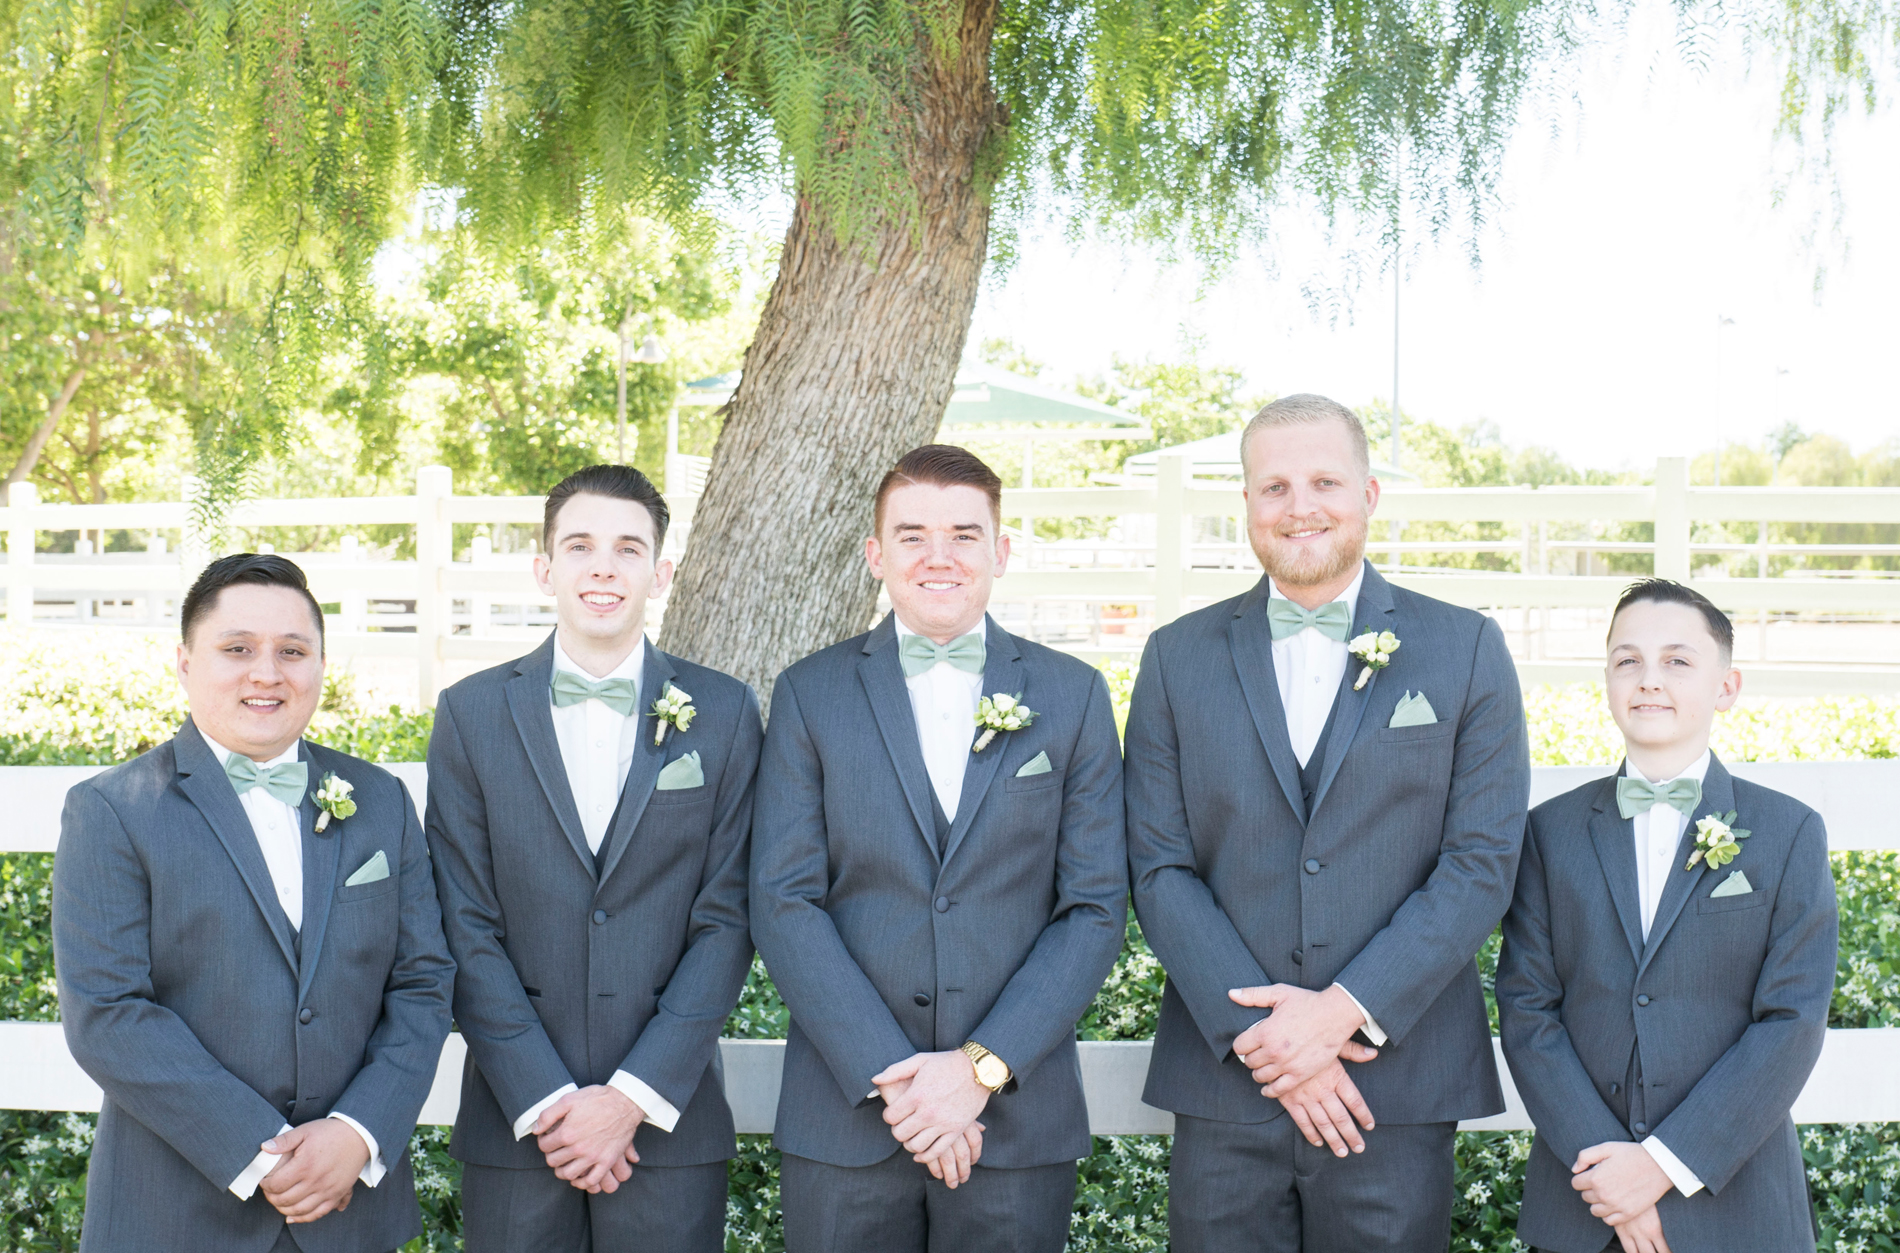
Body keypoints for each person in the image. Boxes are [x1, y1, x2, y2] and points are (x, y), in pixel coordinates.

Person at [1124, 394, 1532, 1252]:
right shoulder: (1175, 655)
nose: (1298, 504)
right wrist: (1266, 1038)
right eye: (1273, 485)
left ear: (1371, 494)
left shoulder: (1464, 649)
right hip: (1229, 1079)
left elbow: (1481, 862)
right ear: (1245, 504)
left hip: (1396, 1079)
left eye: (1323, 480)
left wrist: (1342, 1011)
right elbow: (1159, 865)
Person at [749, 444, 1127, 1253]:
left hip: (1016, 1122)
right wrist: (905, 1086)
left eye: (963, 533)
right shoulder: (810, 694)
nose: (939, 557)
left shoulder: (1073, 695)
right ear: (875, 554)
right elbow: (784, 900)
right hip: (847, 1118)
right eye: (913, 535)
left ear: (1001, 550)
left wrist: (979, 1070)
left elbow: (1093, 907)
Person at [53, 554, 455, 1253]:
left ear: (321, 664)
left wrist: (357, 1133)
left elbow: (422, 981)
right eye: (237, 649)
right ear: (184, 661)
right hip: (174, 1216)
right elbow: (108, 1013)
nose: (266, 672)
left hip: (347, 1214)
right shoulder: (111, 810)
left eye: (291, 651)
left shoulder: (380, 799)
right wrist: (261, 1151)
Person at [426, 464, 761, 1253]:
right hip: (518, 1122)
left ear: (661, 570)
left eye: (627, 548)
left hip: (667, 1124)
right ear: (545, 569)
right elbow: (462, 920)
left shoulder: (725, 712)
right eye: (579, 546)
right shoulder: (470, 714)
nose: (603, 566)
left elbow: (729, 916)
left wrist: (631, 1096)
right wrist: (548, 1100)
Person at [1497, 579, 1838, 1253]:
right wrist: (1611, 1177)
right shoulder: (1547, 833)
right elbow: (1529, 1010)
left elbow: (1792, 1020)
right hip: (1582, 1206)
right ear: (1606, 678)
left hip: (1735, 1208)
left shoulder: (1789, 831)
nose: (1649, 679)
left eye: (1678, 660)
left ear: (1727, 685)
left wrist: (1661, 1165)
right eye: (1628, 660)